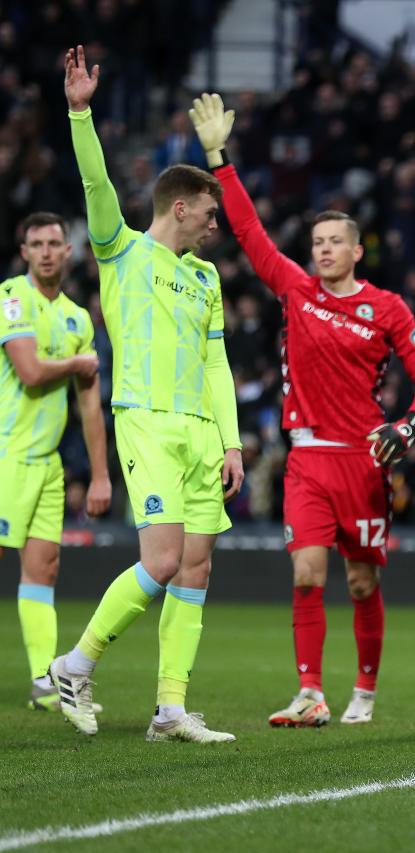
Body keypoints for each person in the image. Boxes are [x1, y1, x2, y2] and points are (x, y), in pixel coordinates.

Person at [189, 93, 415, 726]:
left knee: (360, 584)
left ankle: (364, 688)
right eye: (317, 242)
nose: (323, 250)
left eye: (335, 242)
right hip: (306, 459)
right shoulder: (295, 291)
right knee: (306, 575)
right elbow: (248, 231)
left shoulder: (387, 309)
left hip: (363, 463)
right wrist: (219, 159)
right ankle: (310, 691)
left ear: (358, 250)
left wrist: (407, 424)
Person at [46, 47, 244, 743]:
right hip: (147, 424)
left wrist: (231, 439)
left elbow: (216, 364)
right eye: (211, 217)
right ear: (182, 208)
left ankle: (169, 709)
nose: (217, 229)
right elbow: (97, 184)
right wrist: (80, 113)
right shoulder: (122, 252)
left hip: (198, 432)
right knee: (161, 562)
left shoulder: (206, 280)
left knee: (197, 565)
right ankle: (76, 663)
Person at [1, 211, 111, 710]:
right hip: (7, 455)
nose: (46, 251)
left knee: (43, 567)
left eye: (54, 243)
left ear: (69, 251)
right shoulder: (11, 297)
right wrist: (77, 363)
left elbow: (89, 403)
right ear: (24, 252)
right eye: (36, 244)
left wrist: (100, 475)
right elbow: (27, 370)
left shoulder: (77, 318)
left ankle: (46, 683)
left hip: (46, 463)